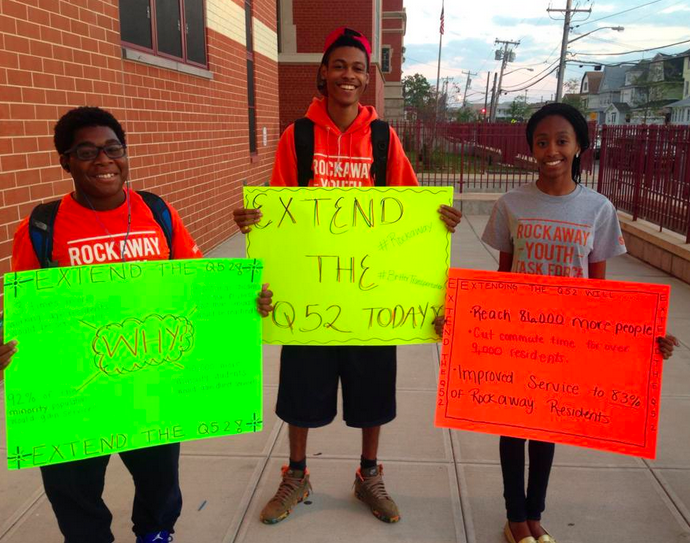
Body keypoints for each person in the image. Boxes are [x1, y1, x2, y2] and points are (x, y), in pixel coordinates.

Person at [1, 106, 273, 543]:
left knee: (159, 479)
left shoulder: (157, 212)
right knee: (74, 487)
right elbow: (23, 312)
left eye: (113, 149)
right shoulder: (43, 226)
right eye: (87, 151)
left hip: (152, 381)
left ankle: (155, 533)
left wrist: (245, 303)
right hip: (78, 389)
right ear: (64, 161)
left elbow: (197, 286)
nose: (104, 160)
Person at [233, 27, 462, 525]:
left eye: (358, 68)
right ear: (323, 72)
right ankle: (296, 473)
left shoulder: (383, 138)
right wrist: (254, 223)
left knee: (372, 391)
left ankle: (368, 474)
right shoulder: (299, 136)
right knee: (301, 391)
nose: (348, 76)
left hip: (371, 296)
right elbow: (279, 213)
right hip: (310, 293)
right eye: (339, 65)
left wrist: (436, 221)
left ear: (367, 77)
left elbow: (408, 208)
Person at [479, 102, 678, 543]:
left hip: (566, 343)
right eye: (542, 141)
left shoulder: (598, 208)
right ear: (532, 148)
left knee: (547, 428)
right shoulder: (511, 203)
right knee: (512, 429)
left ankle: (535, 515)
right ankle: (515, 518)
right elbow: (502, 277)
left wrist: (645, 335)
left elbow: (601, 292)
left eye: (561, 140)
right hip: (518, 336)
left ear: (579, 147)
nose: (551, 149)